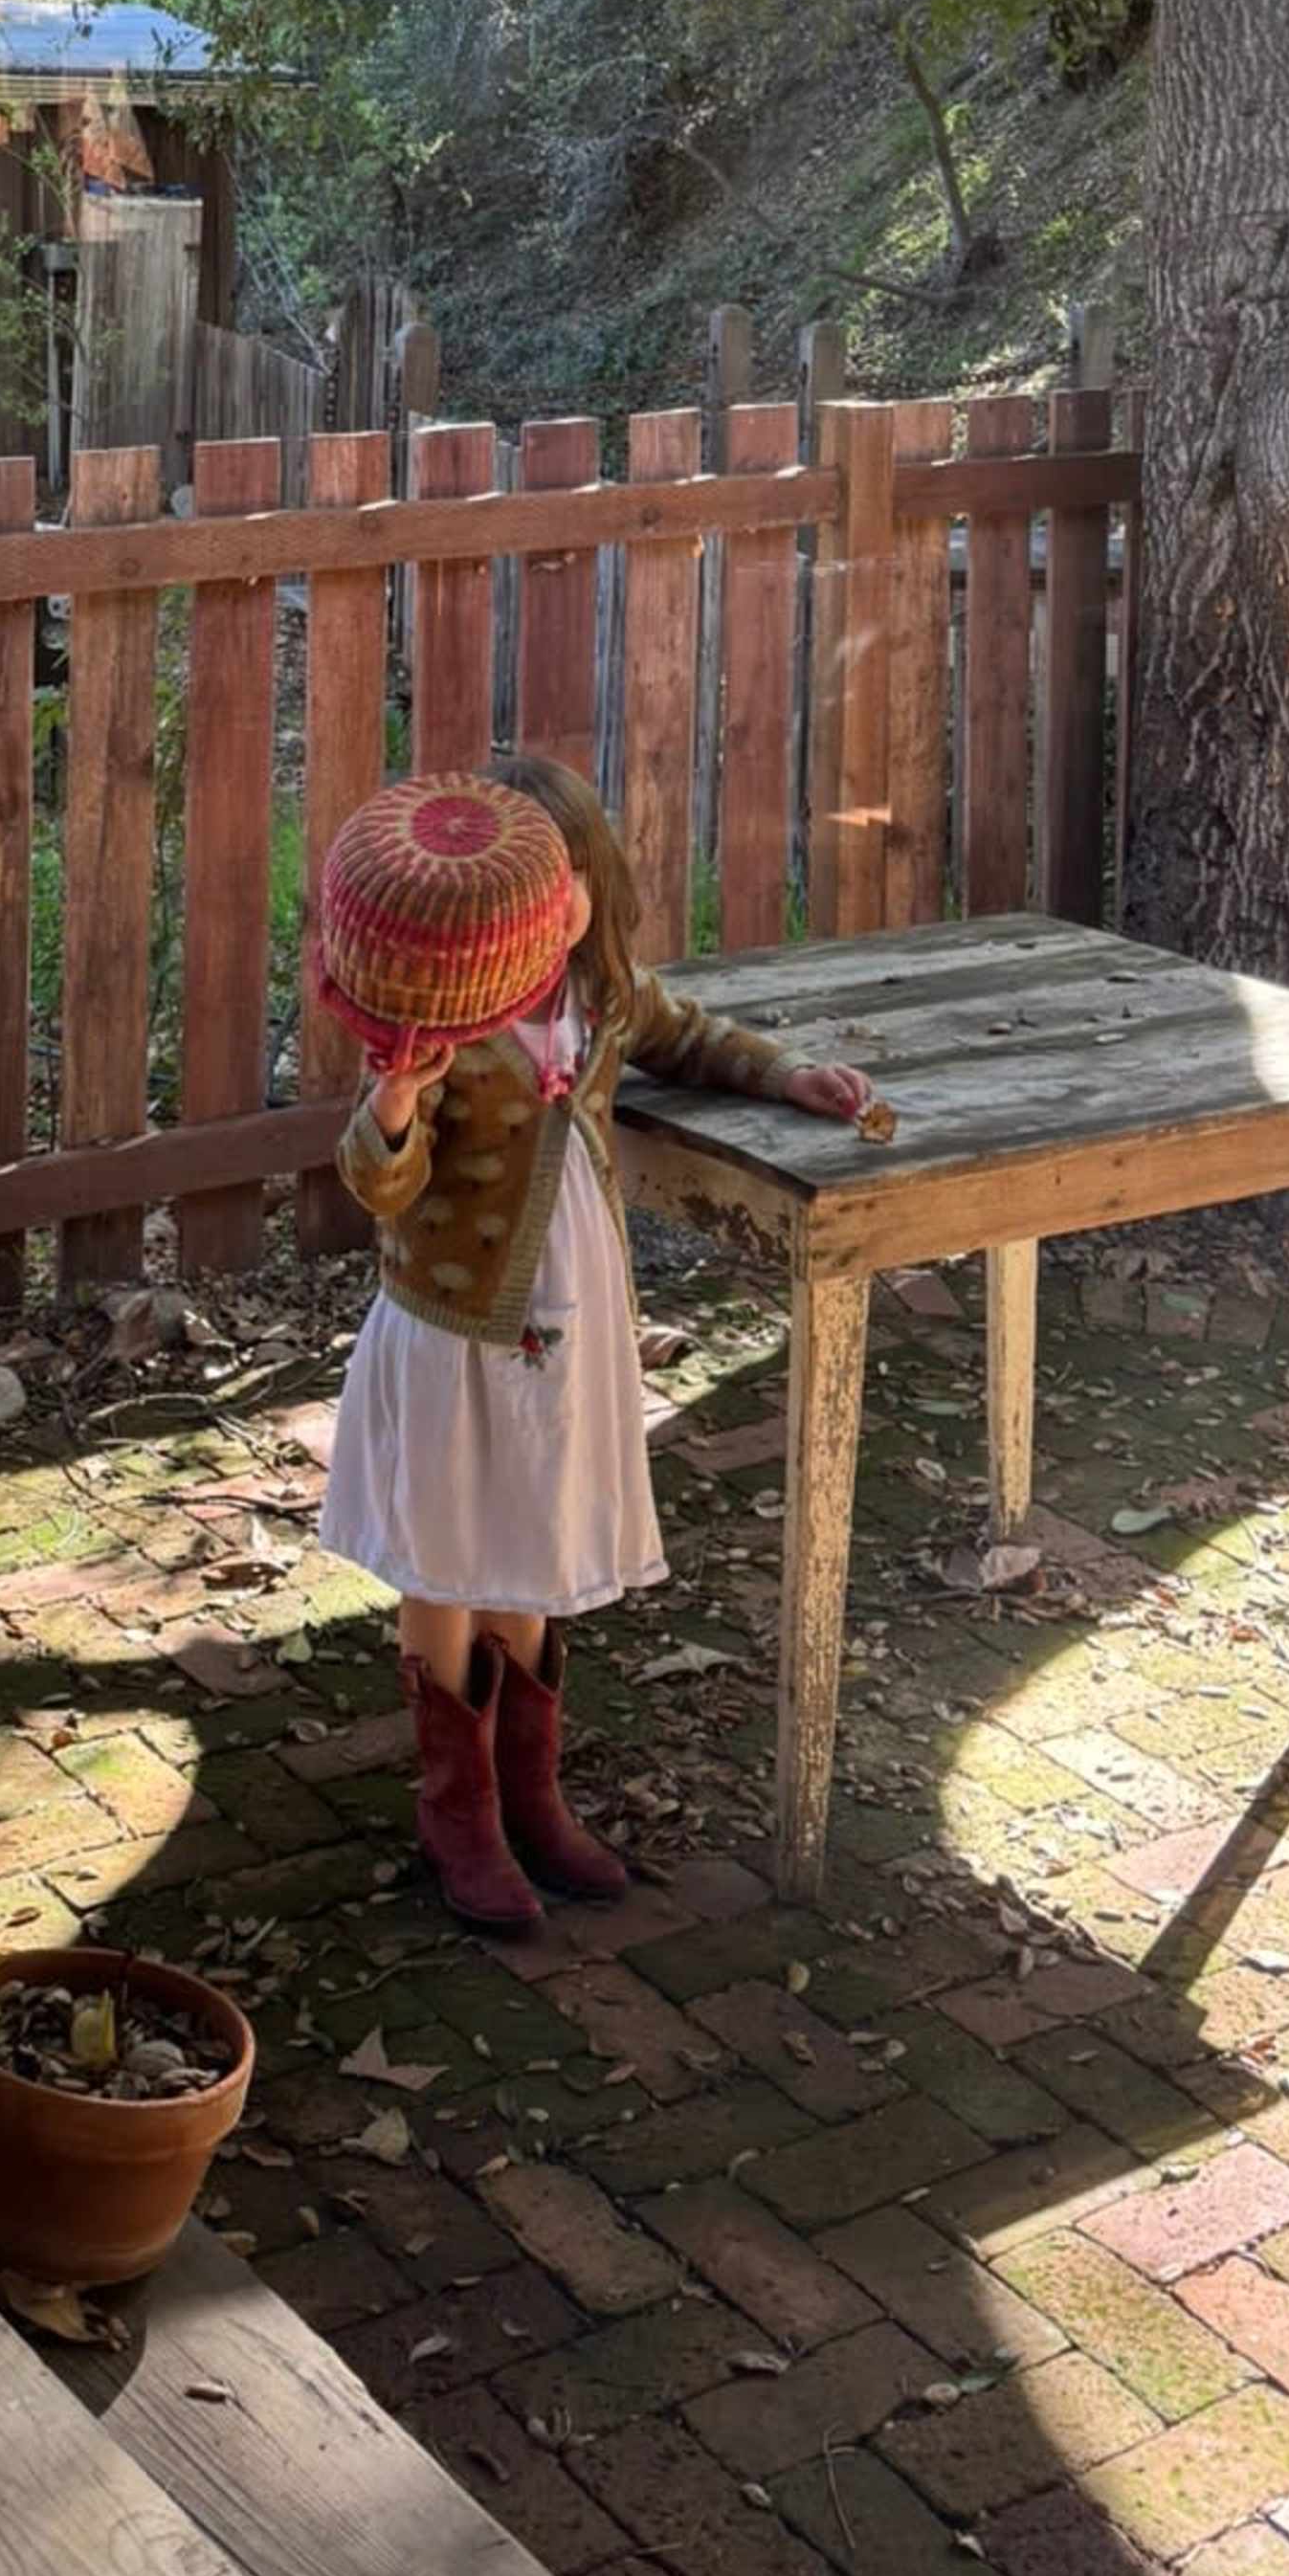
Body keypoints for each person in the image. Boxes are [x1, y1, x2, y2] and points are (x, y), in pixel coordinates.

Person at [315, 751, 869, 1932]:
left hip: (573, 1313)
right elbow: (378, 1180)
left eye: (566, 875)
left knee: (534, 1529)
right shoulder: (448, 1022)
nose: (550, 903)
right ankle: (457, 1810)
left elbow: (691, 1035)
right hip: (457, 1325)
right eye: (529, 885)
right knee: (451, 1549)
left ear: (585, 880)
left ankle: (532, 1793)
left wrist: (787, 1075)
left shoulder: (604, 993)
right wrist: (398, 1100)